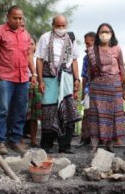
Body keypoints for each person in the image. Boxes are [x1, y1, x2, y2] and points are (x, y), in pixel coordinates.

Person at [0, 5, 36, 155]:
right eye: (15, 18)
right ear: (8, 17)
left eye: (20, 18)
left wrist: (33, 74)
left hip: (22, 78)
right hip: (4, 77)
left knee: (20, 110)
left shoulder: (25, 34)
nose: (18, 21)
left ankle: (14, 139)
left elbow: (28, 55)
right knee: (2, 109)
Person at [35, 15, 81, 154]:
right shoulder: (45, 38)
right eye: (58, 26)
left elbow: (74, 60)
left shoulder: (71, 38)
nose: (61, 29)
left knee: (67, 109)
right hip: (49, 78)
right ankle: (47, 145)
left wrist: (77, 79)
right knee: (48, 109)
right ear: (53, 25)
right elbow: (39, 59)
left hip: (66, 78)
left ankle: (65, 145)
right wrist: (40, 80)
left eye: (63, 26)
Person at [87, 23, 125, 153]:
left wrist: (124, 85)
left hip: (114, 85)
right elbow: (89, 71)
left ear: (112, 33)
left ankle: (110, 144)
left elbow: (122, 67)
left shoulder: (117, 48)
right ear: (98, 34)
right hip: (97, 86)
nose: (104, 34)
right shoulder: (92, 49)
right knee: (96, 115)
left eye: (107, 31)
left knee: (112, 114)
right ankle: (94, 144)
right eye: (102, 32)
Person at [77, 31, 96, 148]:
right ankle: (85, 138)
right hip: (89, 89)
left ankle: (100, 139)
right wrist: (83, 94)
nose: (87, 46)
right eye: (86, 44)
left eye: (89, 44)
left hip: (101, 89)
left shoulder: (104, 55)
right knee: (87, 113)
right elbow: (84, 77)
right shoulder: (85, 58)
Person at [26, 37, 42, 147]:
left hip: (36, 88)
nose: (30, 46)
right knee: (22, 113)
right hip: (24, 85)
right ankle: (19, 138)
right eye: (28, 43)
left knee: (34, 116)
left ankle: (33, 140)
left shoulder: (39, 58)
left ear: (36, 45)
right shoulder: (23, 56)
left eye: (32, 43)